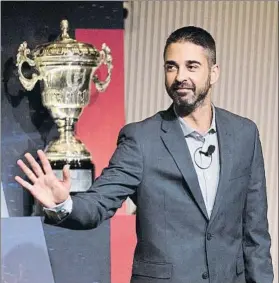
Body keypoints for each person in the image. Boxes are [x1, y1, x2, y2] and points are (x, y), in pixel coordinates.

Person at [15, 26, 273, 283]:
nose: (180, 76)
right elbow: (99, 202)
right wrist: (63, 204)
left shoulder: (244, 135)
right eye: (171, 67)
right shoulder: (141, 139)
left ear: (214, 72)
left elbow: (256, 233)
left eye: (191, 66)